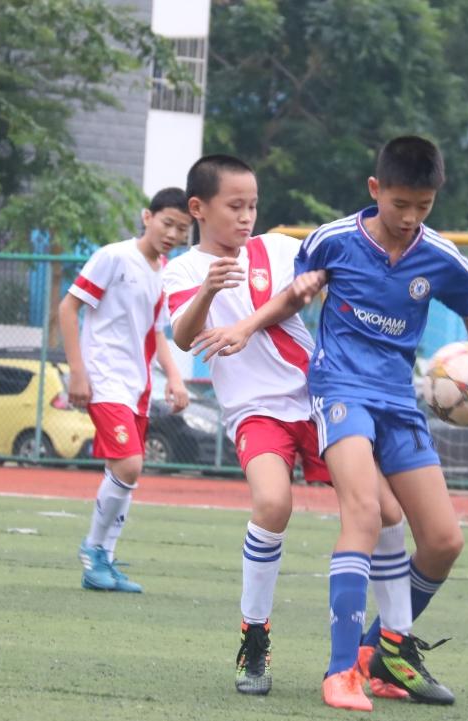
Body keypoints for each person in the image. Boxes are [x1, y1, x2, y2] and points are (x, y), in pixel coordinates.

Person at [193, 136, 468, 710]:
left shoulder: (440, 257)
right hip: (340, 390)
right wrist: (248, 326)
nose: (410, 218)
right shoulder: (334, 240)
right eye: (401, 204)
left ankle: (384, 651)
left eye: (423, 206)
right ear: (376, 191)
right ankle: (341, 669)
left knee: (445, 541)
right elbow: (296, 297)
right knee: (366, 513)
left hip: (398, 399)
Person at [165, 155, 409, 698]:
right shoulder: (182, 271)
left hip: (319, 399)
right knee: (272, 504)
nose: (247, 216)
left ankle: (391, 648)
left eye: (252, 205)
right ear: (199, 209)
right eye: (235, 206)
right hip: (256, 411)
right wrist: (208, 291)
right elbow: (183, 338)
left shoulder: (277, 248)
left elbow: (311, 285)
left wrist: (282, 305)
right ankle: (255, 635)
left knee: (388, 511)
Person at [59, 188, 191, 593]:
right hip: (104, 379)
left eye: (183, 228)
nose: (173, 233)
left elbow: (157, 332)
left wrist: (174, 377)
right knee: (130, 464)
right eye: (167, 223)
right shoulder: (114, 256)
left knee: (125, 473)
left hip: (137, 386)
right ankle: (92, 550)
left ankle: (105, 562)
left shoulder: (162, 270)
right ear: (146, 216)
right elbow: (68, 308)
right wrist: (77, 372)